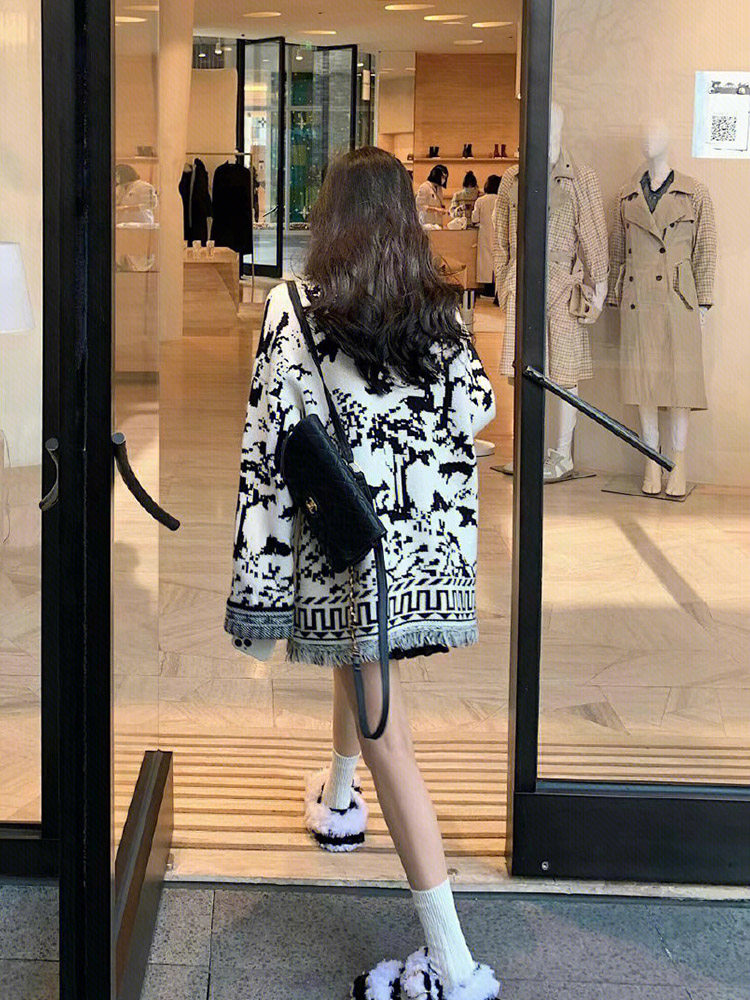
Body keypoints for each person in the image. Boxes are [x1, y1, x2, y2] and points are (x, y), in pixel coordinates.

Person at [225, 147, 499, 1000]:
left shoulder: (293, 307)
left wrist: (259, 586)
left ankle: (455, 965)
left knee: (392, 742)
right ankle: (340, 800)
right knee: (360, 672)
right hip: (421, 552)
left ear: (330, 216)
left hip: (348, 549)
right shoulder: (435, 309)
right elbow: (477, 407)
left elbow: (269, 442)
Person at [472, 174, 501, 297]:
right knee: (498, 261)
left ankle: (487, 290)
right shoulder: (501, 200)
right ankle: (497, 291)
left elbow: (474, 218)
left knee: (486, 262)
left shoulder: (480, 200)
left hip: (484, 233)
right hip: (499, 233)